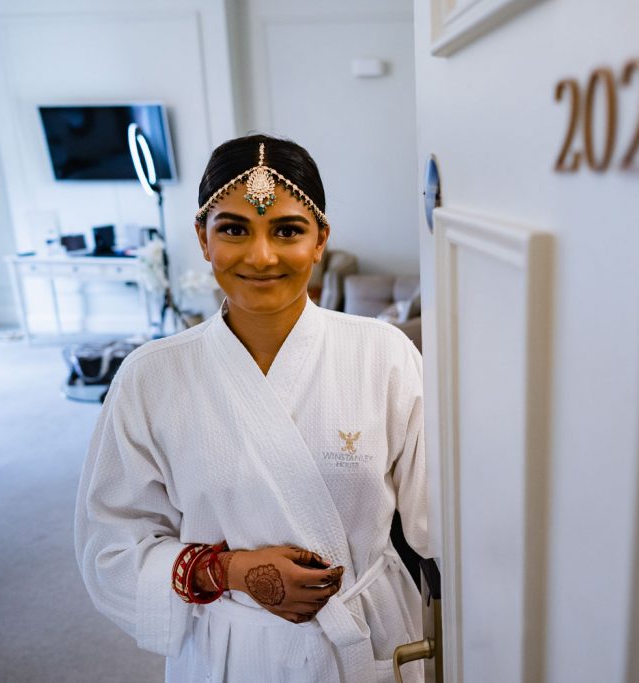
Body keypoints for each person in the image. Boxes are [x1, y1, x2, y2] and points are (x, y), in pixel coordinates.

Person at [75, 134, 428, 682]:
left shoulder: (383, 355)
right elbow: (110, 548)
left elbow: (446, 522)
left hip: (368, 640)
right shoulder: (151, 377)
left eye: (287, 230)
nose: (261, 256)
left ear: (320, 241)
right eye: (234, 229)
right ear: (202, 238)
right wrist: (233, 571)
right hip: (230, 651)